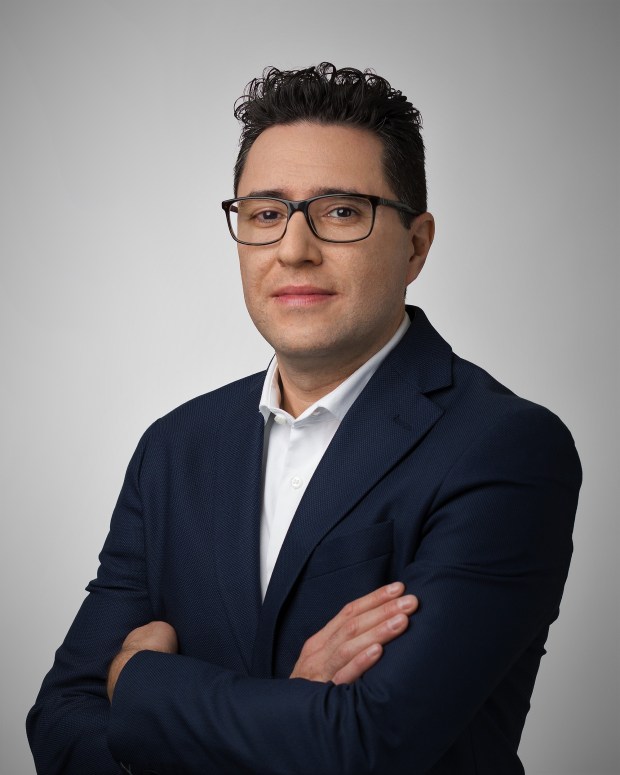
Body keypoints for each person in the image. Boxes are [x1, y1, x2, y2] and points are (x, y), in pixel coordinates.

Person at [27, 63, 581, 774]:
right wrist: (288, 707)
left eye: (341, 211)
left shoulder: (503, 447)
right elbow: (62, 725)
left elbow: (368, 746)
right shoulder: (175, 447)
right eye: (265, 214)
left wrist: (137, 681)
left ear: (416, 245)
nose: (294, 249)